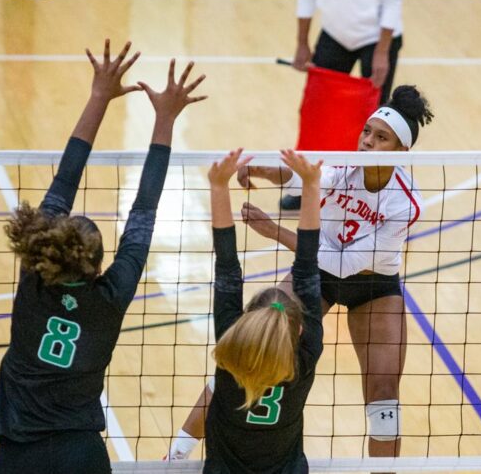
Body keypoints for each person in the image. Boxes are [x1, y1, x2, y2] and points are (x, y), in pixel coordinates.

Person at [168, 85, 433, 462]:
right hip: (316, 276)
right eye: (367, 132)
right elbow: (302, 179)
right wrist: (262, 169)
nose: (367, 142)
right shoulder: (344, 165)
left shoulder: (405, 204)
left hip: (371, 287)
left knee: (384, 392)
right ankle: (175, 455)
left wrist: (276, 232)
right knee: (248, 350)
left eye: (381, 137)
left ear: (401, 151)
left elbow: (345, 264)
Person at [0, 39, 207, 474]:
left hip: (19, 450)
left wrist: (99, 97)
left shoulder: (35, 277)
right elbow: (144, 209)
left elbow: (66, 176)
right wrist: (164, 119)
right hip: (81, 454)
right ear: (99, 266)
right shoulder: (111, 295)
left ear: (49, 248)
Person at [203, 147, 324, 474]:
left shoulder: (231, 349)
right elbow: (309, 267)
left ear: (246, 322)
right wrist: (312, 187)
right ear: (299, 331)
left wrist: (218, 186)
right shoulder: (305, 356)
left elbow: (227, 268)